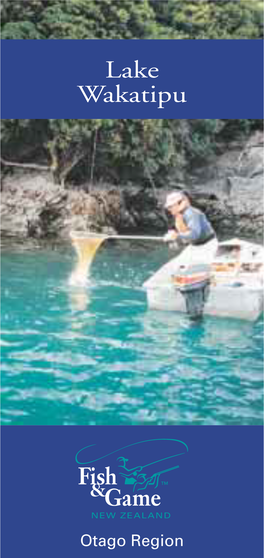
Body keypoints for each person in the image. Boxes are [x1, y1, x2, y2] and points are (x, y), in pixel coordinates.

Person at [163, 190, 218, 266]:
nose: (169, 209)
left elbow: (194, 235)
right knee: (176, 265)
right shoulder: (179, 215)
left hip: (207, 246)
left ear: (180, 203)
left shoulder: (191, 213)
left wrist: (177, 235)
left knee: (197, 266)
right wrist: (172, 239)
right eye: (168, 207)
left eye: (171, 206)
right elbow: (182, 234)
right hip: (194, 246)